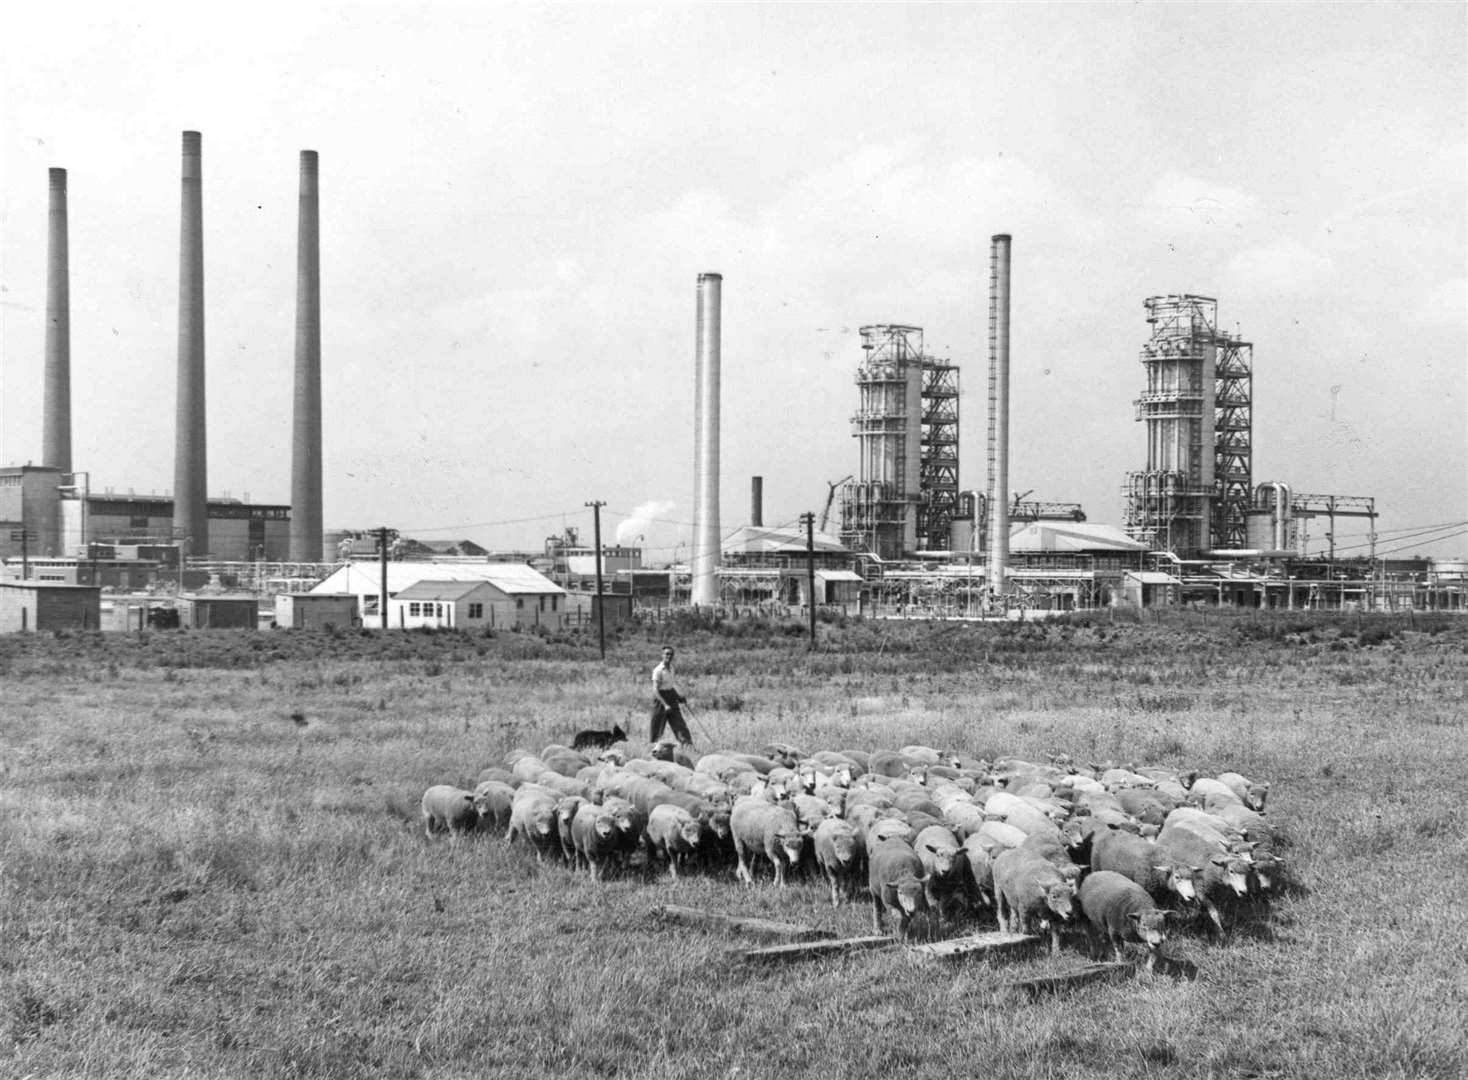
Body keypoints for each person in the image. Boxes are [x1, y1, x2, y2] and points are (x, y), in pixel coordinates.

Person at [650, 645, 693, 749]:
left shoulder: (672, 668)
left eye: (671, 654)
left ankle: (688, 747)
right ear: (662, 655)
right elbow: (655, 690)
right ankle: (653, 749)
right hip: (660, 699)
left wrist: (679, 697)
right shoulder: (658, 670)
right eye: (667, 654)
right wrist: (665, 705)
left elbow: (670, 686)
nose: (669, 656)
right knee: (657, 726)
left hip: (671, 697)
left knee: (680, 724)